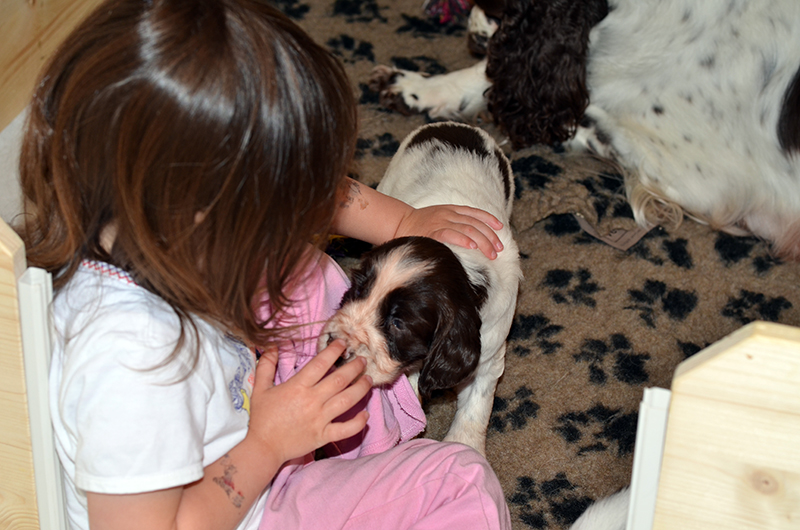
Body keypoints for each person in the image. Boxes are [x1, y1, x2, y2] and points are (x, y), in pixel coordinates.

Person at [16, 0, 513, 529]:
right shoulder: (134, 361)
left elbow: (310, 196)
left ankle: (344, 430)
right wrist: (269, 443)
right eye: (287, 207)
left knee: (311, 274)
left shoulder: (144, 232)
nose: (308, 217)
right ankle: (352, 437)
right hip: (244, 503)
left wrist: (402, 222)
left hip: (244, 435)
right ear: (205, 212)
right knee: (460, 481)